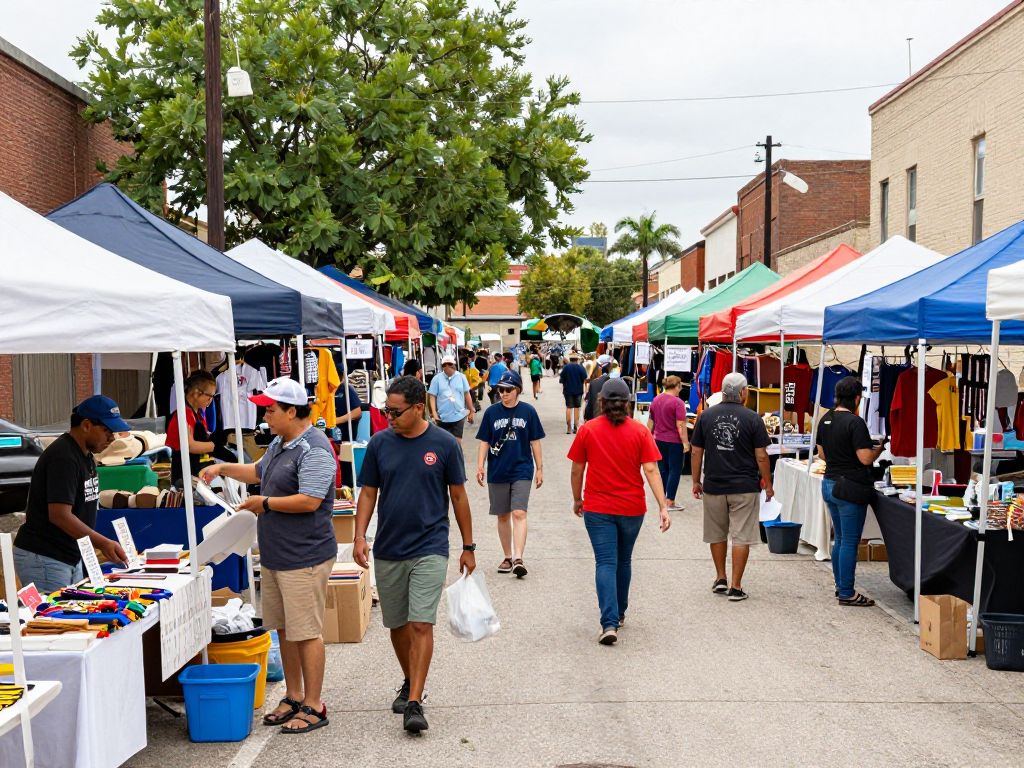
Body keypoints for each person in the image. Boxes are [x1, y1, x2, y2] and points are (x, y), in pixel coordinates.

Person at [200, 377, 336, 733]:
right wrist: (222, 467)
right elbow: (259, 471)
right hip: (278, 555)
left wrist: (266, 504)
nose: (265, 415)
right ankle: (293, 695)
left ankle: (314, 704)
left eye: (271, 409)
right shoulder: (280, 443)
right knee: (285, 629)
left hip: (304, 555)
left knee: (306, 632)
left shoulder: (315, 448)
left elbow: (310, 500)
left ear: (292, 411)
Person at [354, 376, 476, 734]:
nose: (388, 416)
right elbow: (368, 493)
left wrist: (468, 547)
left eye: (395, 411)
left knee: (421, 622)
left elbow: (458, 496)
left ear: (419, 407)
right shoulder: (379, 444)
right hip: (390, 547)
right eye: (385, 410)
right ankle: (410, 679)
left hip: (430, 546)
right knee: (397, 624)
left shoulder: (444, 444)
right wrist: (360, 536)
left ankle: (415, 702)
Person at [568, 378, 670, 645]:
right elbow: (651, 469)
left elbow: (577, 468)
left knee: (605, 562)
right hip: (632, 507)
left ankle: (609, 622)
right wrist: (663, 505)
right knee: (623, 561)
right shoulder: (640, 432)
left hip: (598, 507)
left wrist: (577, 498)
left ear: (601, 402)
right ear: (627, 404)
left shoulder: (588, 430)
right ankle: (620, 613)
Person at [13, 395, 129, 592]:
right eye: (107, 431)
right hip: (46, 556)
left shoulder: (86, 456)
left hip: (69, 554)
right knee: (57, 619)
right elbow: (60, 515)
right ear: (86, 425)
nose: (112, 438)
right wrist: (103, 543)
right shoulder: (64, 457)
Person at [690, 372, 773, 602]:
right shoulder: (753, 418)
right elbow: (762, 456)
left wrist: (696, 480)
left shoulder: (706, 416)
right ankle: (736, 587)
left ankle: (720, 578)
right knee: (741, 536)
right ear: (743, 392)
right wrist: (768, 484)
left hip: (714, 484)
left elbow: (697, 451)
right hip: (744, 486)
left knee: (717, 533)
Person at [816, 376, 885, 607]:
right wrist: (878, 450)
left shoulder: (825, 419)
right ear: (857, 398)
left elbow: (822, 454)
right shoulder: (855, 423)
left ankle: (840, 586)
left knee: (841, 539)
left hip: (829, 482)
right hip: (850, 486)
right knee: (849, 541)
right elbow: (865, 458)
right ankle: (846, 592)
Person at [476, 370, 545, 578]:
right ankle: (507, 556)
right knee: (503, 515)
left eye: (507, 390)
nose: (503, 393)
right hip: (497, 470)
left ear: (517, 390)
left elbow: (535, 441)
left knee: (519, 513)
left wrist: (540, 468)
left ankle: (518, 558)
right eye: (500, 390)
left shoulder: (528, 412)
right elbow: (484, 441)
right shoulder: (491, 413)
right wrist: (480, 466)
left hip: (522, 469)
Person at [166, 370, 225, 485]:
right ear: (196, 393)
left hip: (193, 469)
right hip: (182, 474)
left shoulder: (197, 415)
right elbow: (189, 445)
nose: (211, 400)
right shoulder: (185, 415)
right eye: (209, 396)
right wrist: (214, 446)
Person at [647, 375, 690, 511]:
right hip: (674, 441)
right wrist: (685, 443)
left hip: (658, 440)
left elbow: (651, 422)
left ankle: (663, 498)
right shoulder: (678, 403)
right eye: (680, 387)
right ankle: (670, 500)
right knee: (675, 470)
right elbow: (681, 425)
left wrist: (648, 438)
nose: (680, 389)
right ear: (676, 386)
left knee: (663, 469)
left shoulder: (656, 399)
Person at [427, 355, 474, 442]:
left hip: (459, 415)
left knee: (457, 442)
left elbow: (467, 394)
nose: (447, 366)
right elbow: (432, 396)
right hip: (442, 417)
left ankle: (457, 455)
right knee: (444, 442)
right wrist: (434, 413)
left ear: (454, 365)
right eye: (444, 365)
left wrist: (471, 410)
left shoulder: (461, 377)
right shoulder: (436, 379)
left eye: (449, 364)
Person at [559, 352, 589, 434]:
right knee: (577, 408)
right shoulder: (580, 368)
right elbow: (585, 378)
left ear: (570, 359)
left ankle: (569, 428)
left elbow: (561, 380)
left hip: (568, 391)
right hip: (578, 391)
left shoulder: (566, 368)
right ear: (577, 359)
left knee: (569, 407)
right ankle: (576, 427)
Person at [334, 367, 363, 440]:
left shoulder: (346, 389)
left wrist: (336, 420)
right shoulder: (326, 391)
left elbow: (357, 412)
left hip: (345, 435)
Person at [583, 354, 613, 422]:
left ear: (600, 367)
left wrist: (586, 417)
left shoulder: (594, 383)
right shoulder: (618, 382)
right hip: (613, 420)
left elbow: (590, 404)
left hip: (596, 419)